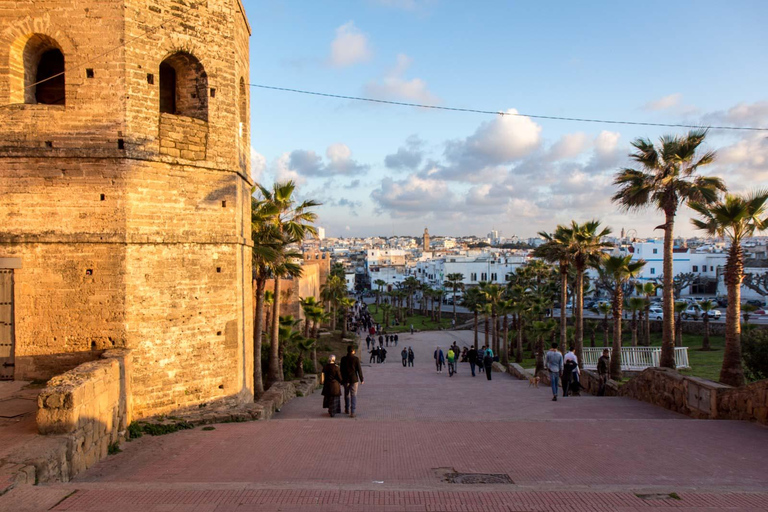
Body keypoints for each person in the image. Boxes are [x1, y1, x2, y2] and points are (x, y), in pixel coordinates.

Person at [340, 346, 364, 417]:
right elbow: (359, 370)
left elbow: (341, 370)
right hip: (354, 379)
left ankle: (347, 408)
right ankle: (352, 411)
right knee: (353, 395)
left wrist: (341, 380)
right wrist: (361, 379)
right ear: (353, 351)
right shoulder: (356, 359)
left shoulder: (343, 359)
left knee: (346, 394)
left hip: (345, 379)